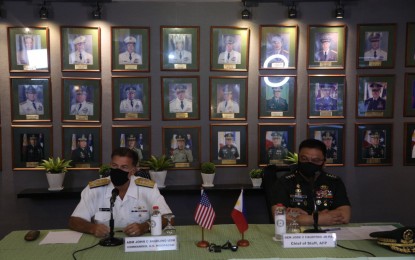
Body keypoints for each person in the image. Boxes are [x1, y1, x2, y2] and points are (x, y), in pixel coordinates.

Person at [69, 147, 172, 238]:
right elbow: (74, 221)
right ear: (110, 165)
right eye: (115, 166)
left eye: (124, 167)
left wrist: (145, 227)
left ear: (133, 171)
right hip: (106, 243)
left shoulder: (148, 189)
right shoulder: (94, 189)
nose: (118, 170)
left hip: (137, 243)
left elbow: (168, 219)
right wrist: (92, 228)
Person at [271, 138, 351, 226]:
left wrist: (300, 217)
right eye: (304, 159)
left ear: (324, 162)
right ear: (298, 159)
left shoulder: (334, 181)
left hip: (327, 234)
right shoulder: (285, 181)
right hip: (295, 234)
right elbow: (279, 217)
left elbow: (345, 215)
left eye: (315, 160)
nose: (309, 163)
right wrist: (317, 219)